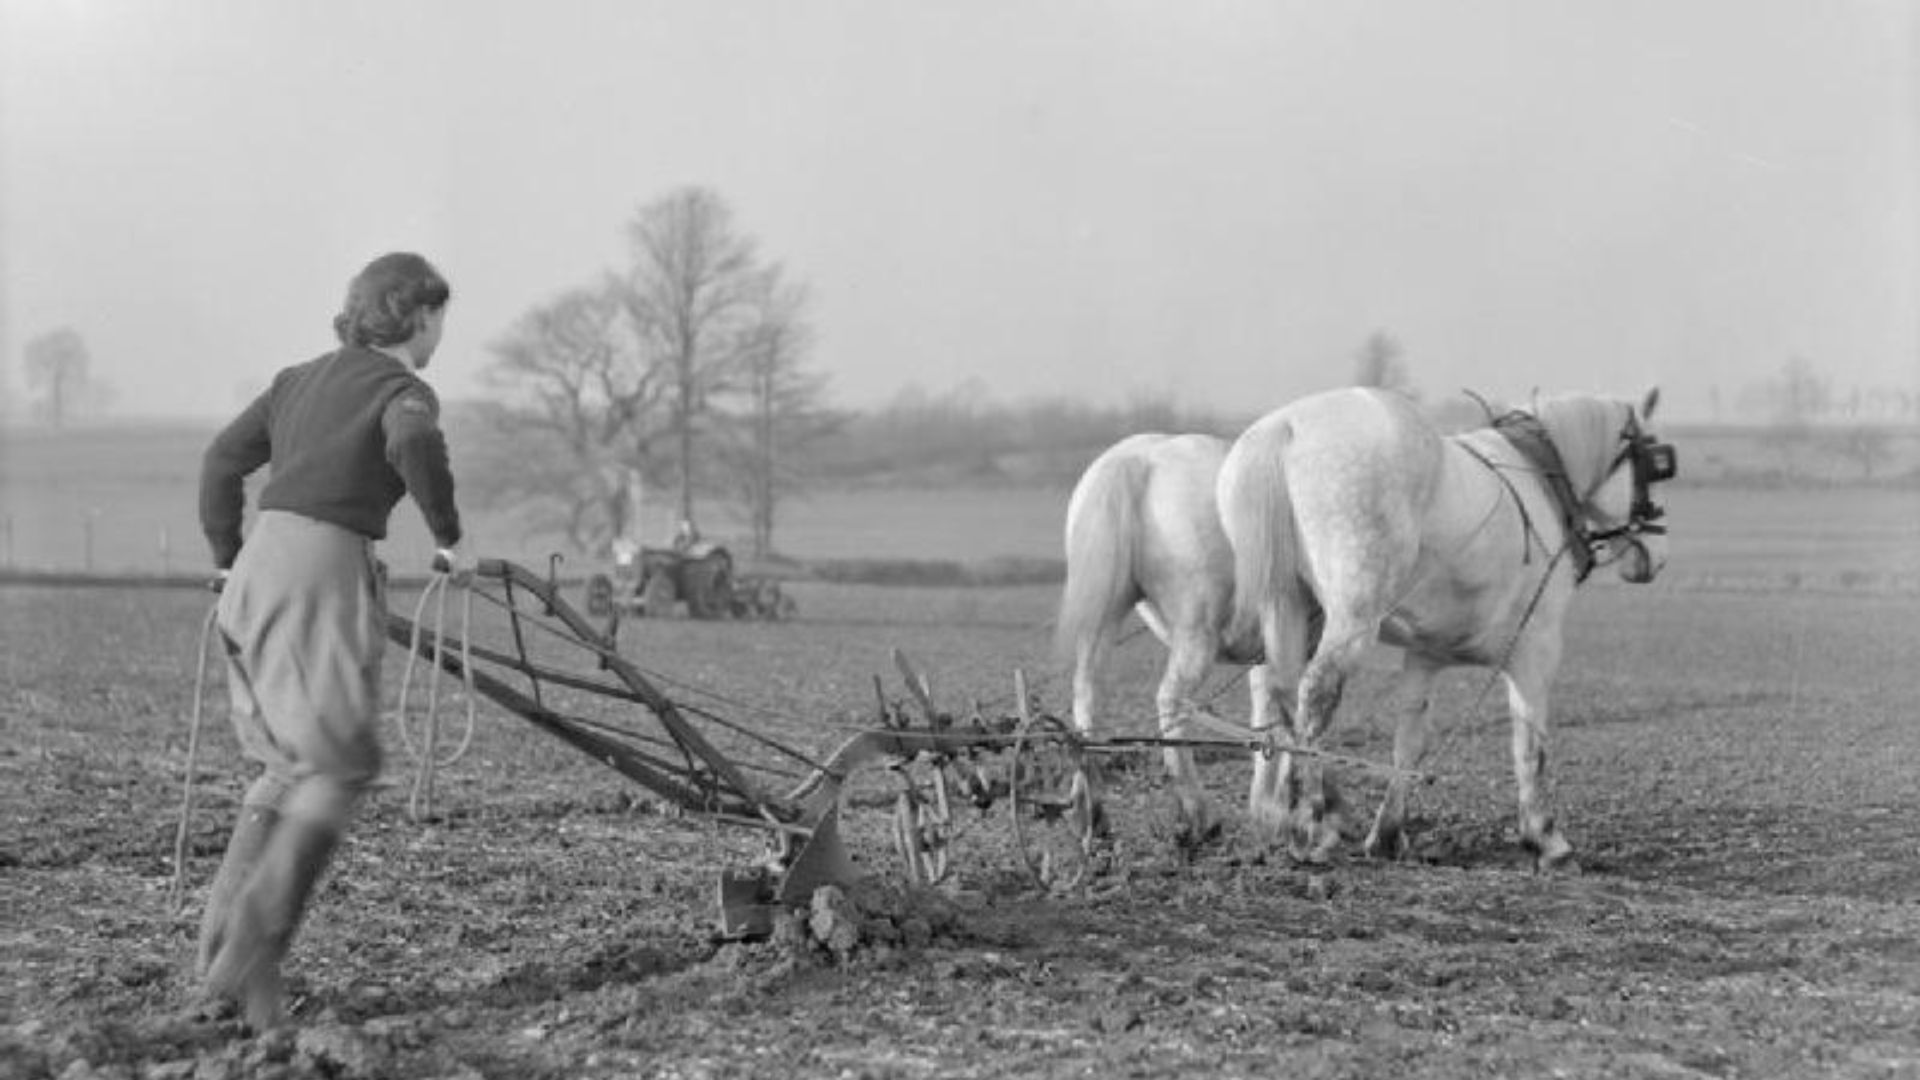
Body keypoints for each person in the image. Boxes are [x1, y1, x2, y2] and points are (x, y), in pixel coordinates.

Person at [194, 251, 471, 1030]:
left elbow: (222, 462)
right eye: (440, 318)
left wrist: (226, 557)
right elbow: (413, 446)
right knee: (343, 764)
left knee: (290, 763)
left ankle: (217, 956)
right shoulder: (403, 389)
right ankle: (252, 947)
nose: (442, 333)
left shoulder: (295, 381)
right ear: (416, 316)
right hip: (322, 568)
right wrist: (450, 538)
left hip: (258, 569)